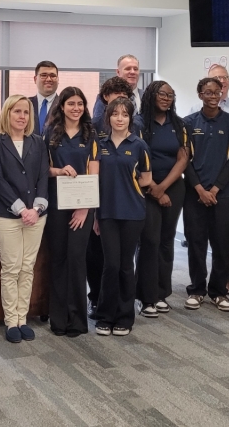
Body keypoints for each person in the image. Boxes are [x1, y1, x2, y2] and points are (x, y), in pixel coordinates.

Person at [0, 95, 50, 343]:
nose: (22, 116)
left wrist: (36, 208)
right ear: (7, 114)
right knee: (11, 268)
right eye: (17, 112)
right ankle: (11, 321)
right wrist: (21, 209)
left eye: (26, 112)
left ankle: (23, 319)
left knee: (27, 268)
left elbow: (43, 176)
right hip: (6, 215)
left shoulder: (38, 142)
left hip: (37, 215)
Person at [94, 97, 152, 337]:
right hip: (106, 213)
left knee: (126, 266)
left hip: (132, 213)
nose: (120, 118)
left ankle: (125, 317)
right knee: (111, 265)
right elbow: (93, 178)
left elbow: (147, 179)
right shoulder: (100, 144)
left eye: (124, 114)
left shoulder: (139, 146)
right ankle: (105, 316)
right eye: (115, 114)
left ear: (130, 118)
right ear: (108, 117)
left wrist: (129, 188)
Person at [44, 86, 98, 337]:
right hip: (56, 205)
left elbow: (95, 171)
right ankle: (58, 319)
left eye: (80, 104)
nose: (76, 108)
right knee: (58, 260)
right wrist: (59, 170)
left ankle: (76, 320)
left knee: (76, 260)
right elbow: (43, 169)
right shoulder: (49, 134)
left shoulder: (91, 134)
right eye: (71, 104)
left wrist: (85, 208)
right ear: (61, 107)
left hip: (82, 207)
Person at [183, 77, 229, 313]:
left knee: (222, 245)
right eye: (208, 92)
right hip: (194, 195)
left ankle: (218, 291)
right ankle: (197, 290)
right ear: (200, 95)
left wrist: (216, 188)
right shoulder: (187, 123)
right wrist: (199, 188)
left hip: (222, 195)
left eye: (217, 92)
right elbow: (184, 159)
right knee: (196, 243)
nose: (213, 96)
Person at [134, 80, 188, 318]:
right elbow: (134, 158)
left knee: (167, 241)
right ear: (151, 95)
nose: (167, 98)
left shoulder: (178, 124)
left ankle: (161, 293)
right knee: (149, 241)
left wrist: (164, 188)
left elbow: (183, 158)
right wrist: (154, 189)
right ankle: (145, 297)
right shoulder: (138, 123)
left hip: (173, 187)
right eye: (162, 94)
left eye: (171, 94)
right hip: (145, 188)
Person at [87, 75, 135, 318]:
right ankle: (97, 299)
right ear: (106, 98)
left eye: (125, 101)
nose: (120, 110)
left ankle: (122, 307)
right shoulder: (94, 126)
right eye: (116, 99)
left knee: (123, 262)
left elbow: (142, 173)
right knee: (100, 258)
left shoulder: (136, 131)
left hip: (128, 205)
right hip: (101, 205)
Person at [30, 61, 59, 136]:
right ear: (35, 79)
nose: (49, 79)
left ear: (58, 79)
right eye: (44, 75)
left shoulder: (64, 105)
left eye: (53, 76)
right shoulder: (26, 104)